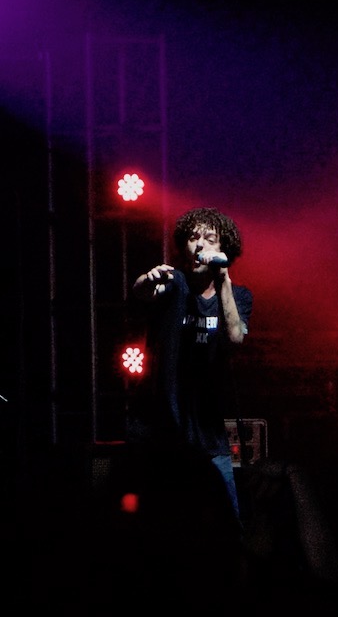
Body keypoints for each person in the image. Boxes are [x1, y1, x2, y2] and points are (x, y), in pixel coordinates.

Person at [129, 206, 253, 525]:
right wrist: (148, 280)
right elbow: (142, 291)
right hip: (161, 434)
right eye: (193, 237)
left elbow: (235, 337)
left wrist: (223, 279)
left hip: (209, 435)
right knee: (157, 525)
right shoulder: (175, 283)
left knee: (227, 525)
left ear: (224, 248)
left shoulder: (238, 296)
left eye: (209, 238)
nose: (199, 244)